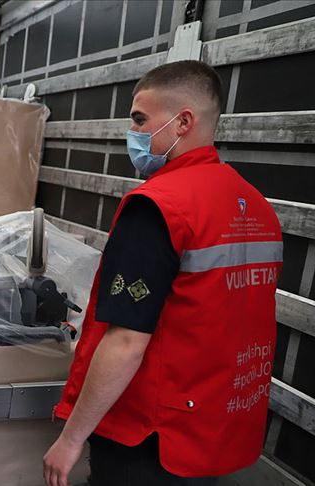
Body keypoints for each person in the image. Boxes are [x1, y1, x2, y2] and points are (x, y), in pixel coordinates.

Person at [43, 60, 283, 486]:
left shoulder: (158, 208)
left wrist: (71, 437)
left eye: (140, 120)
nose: (132, 132)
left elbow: (126, 342)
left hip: (149, 436)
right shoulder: (257, 207)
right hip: (212, 428)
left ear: (183, 122)